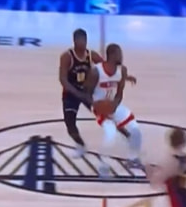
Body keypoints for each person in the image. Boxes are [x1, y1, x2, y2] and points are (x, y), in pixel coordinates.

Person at [59, 30, 137, 158]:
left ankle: (128, 136)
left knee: (108, 113)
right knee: (70, 124)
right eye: (80, 41)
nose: (83, 43)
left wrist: (126, 77)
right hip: (71, 93)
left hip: (87, 92)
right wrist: (77, 93)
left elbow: (107, 67)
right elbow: (63, 79)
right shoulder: (67, 57)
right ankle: (81, 145)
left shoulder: (91, 55)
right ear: (74, 41)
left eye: (84, 41)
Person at [84, 43, 142, 175]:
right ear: (112, 55)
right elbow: (86, 95)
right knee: (110, 133)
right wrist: (97, 107)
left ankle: (133, 159)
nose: (122, 56)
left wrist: (114, 106)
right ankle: (103, 166)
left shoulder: (122, 70)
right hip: (98, 106)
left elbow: (119, 94)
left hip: (113, 104)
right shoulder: (95, 72)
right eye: (119, 54)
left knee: (135, 129)